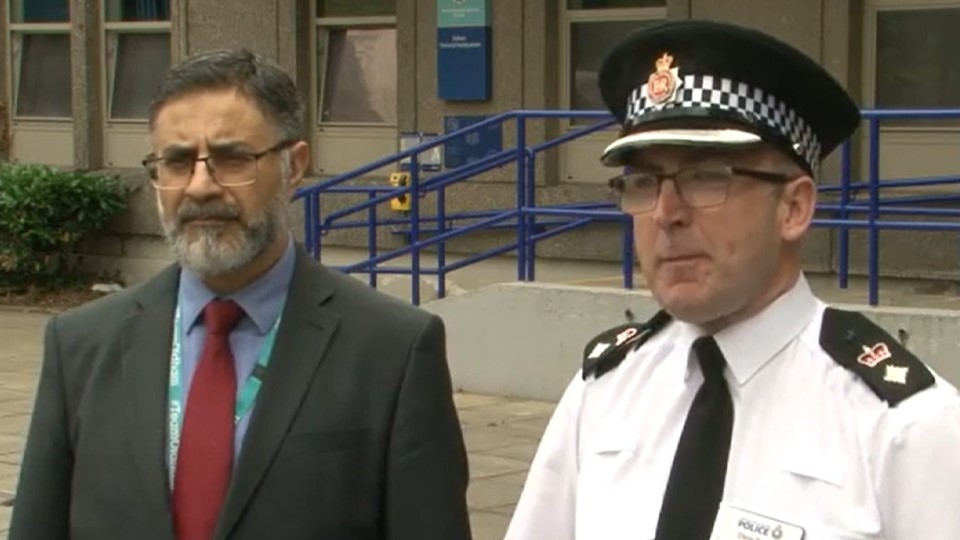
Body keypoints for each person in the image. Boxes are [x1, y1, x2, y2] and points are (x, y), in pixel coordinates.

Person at [505, 19, 960, 540]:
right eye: (643, 182)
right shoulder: (607, 389)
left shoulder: (902, 427)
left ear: (794, 207)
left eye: (706, 177)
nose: (665, 213)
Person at [9, 48, 472, 540]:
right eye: (177, 161)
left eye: (232, 159)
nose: (201, 187)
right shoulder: (80, 345)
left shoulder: (393, 351)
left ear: (294, 166)